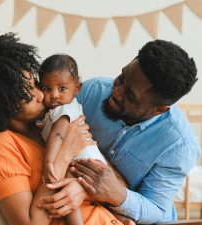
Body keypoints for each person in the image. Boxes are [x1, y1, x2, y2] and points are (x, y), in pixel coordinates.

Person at [0, 31, 130, 225]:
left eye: (35, 85)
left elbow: (119, 184)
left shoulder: (48, 126)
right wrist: (64, 154)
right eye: (29, 96)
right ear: (3, 107)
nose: (42, 95)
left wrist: (81, 189)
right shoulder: (0, 147)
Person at [39, 40, 200, 224]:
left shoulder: (179, 145)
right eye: (122, 77)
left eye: (130, 95)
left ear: (159, 110)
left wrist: (110, 193)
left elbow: (156, 209)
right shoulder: (92, 91)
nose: (116, 91)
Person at [39, 54, 108, 225]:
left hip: (85, 163)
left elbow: (58, 135)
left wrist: (48, 162)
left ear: (77, 89)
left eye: (62, 88)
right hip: (90, 163)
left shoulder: (64, 109)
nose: (54, 95)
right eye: (47, 89)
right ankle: (122, 217)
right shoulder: (59, 110)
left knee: (65, 186)